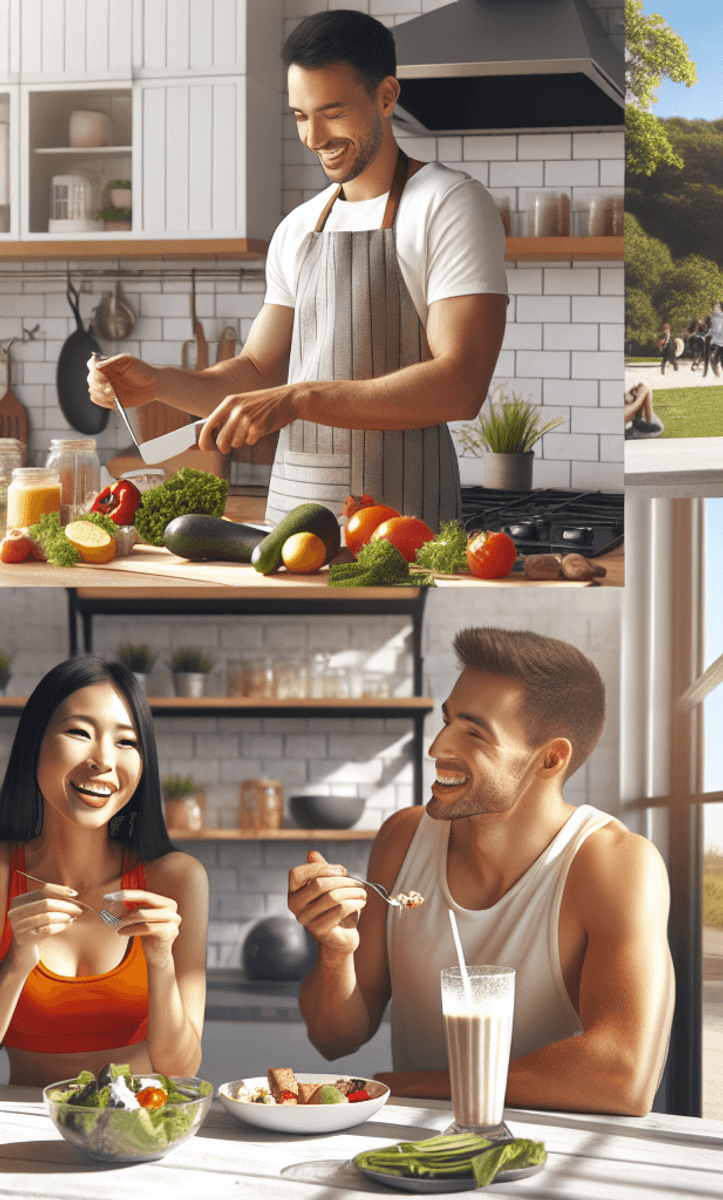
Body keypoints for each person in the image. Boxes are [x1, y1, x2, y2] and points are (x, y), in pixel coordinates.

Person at [86, 9, 508, 530]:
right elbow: (258, 373)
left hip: (401, 525)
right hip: (288, 523)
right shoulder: (298, 228)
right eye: (301, 116)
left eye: (332, 112)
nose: (313, 138)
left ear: (386, 96)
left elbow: (461, 386)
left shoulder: (449, 204)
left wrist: (298, 398)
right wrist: (157, 384)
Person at [287, 628, 674, 1116]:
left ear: (550, 758)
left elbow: (623, 1075)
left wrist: (426, 1084)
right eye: (447, 721)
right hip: (413, 1158)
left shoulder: (615, 864)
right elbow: (334, 1039)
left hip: (551, 1161)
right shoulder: (404, 838)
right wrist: (336, 953)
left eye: (473, 732)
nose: (437, 747)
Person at [0, 657, 208, 1088]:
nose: (103, 761)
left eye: (126, 742)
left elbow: (182, 1070)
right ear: (35, 742)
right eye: (79, 732)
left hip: (141, 1128)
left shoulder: (177, 880)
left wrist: (160, 960)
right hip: (25, 1133)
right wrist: (17, 960)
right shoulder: (3, 874)